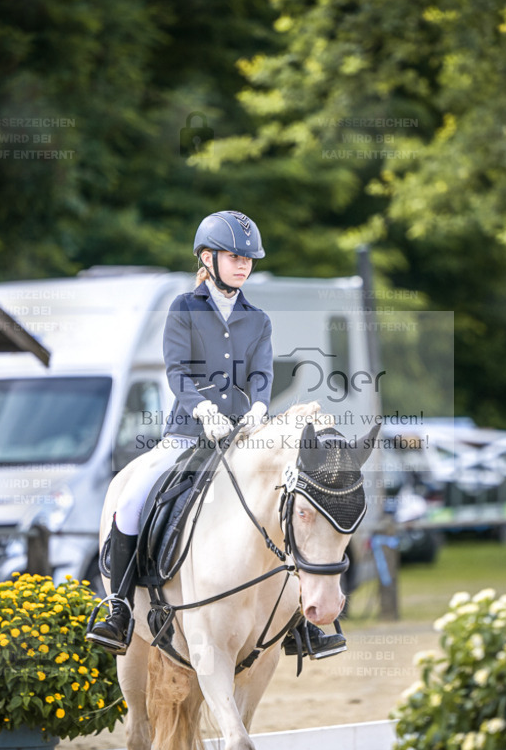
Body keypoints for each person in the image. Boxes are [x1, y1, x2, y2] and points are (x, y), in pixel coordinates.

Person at [86, 209, 346, 662]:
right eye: (233, 256)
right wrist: (204, 409)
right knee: (131, 499)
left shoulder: (258, 319)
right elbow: (177, 371)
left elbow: (262, 374)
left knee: (289, 504)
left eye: (248, 258)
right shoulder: (183, 309)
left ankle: (301, 624)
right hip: (187, 435)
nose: (244, 264)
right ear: (207, 259)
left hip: (245, 438)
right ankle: (120, 607)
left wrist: (259, 408)